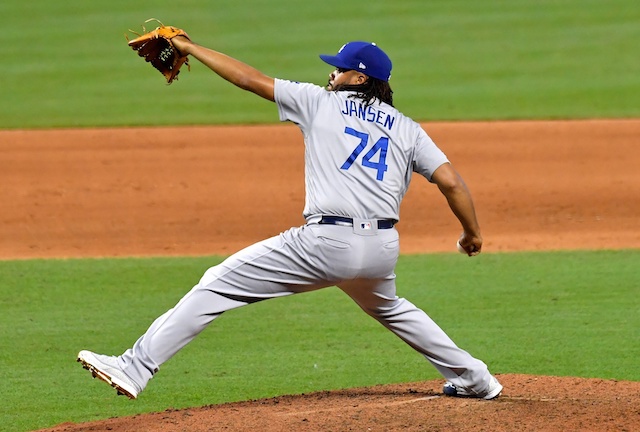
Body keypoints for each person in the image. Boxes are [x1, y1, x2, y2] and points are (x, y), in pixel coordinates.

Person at [77, 36, 503, 401]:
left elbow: (249, 79)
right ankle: (474, 378)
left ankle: (135, 367)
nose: (331, 75)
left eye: (339, 69)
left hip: (326, 243)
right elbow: (450, 182)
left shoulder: (320, 102)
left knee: (216, 284)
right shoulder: (407, 128)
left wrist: (190, 47)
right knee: (391, 308)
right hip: (381, 249)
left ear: (359, 78)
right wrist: (472, 234)